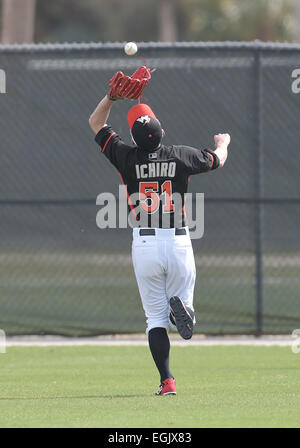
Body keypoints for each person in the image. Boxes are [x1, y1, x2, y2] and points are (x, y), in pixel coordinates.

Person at [89, 89, 230, 396]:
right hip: (178, 239)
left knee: (154, 319)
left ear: (134, 138)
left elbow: (96, 123)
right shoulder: (180, 154)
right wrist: (223, 143)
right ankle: (184, 311)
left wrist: (111, 97)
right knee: (183, 303)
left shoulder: (126, 156)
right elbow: (217, 160)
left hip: (145, 243)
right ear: (162, 132)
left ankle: (167, 381)